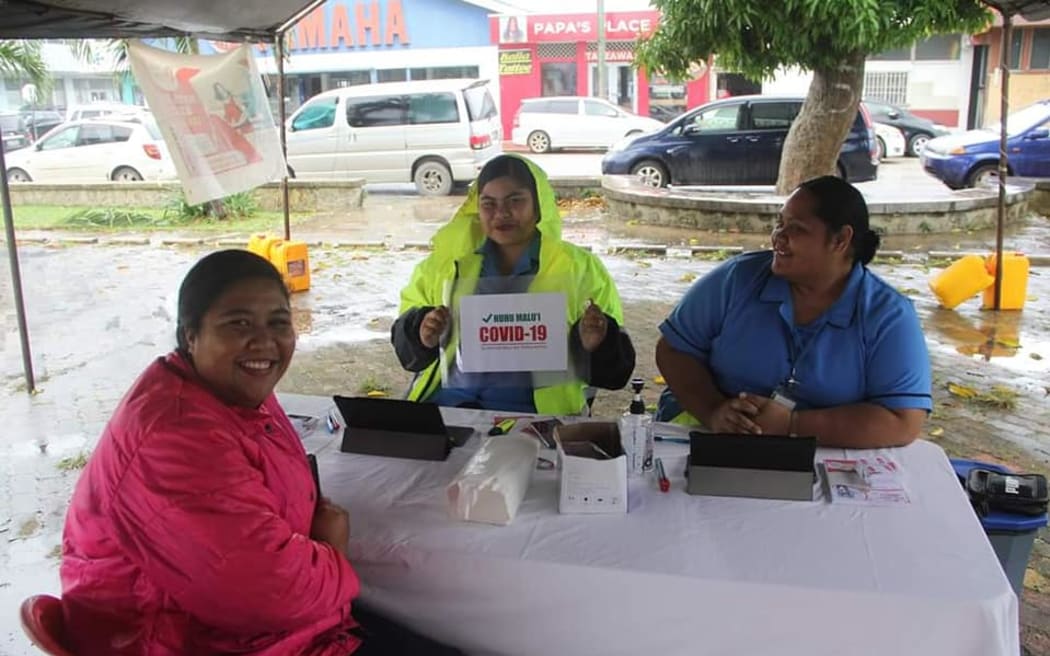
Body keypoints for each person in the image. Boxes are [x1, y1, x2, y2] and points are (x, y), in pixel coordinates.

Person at [61, 250, 461, 655]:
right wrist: (331, 550)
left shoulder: (231, 391)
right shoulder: (175, 437)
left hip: (274, 626)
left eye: (279, 323)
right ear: (190, 335)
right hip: (186, 639)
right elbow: (271, 594)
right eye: (238, 323)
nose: (265, 341)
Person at [655, 176, 931, 448]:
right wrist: (713, 410)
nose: (778, 237)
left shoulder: (888, 316)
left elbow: (903, 420)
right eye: (779, 224)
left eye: (796, 229)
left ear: (840, 240)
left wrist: (793, 425)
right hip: (710, 438)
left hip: (822, 455)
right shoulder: (739, 279)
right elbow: (673, 349)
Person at [391, 154, 635, 415]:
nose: (501, 213)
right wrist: (422, 333)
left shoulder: (581, 269)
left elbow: (616, 372)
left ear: (538, 206)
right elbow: (405, 344)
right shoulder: (444, 267)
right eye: (488, 203)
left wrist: (596, 342)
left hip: (537, 419)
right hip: (449, 412)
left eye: (515, 200)